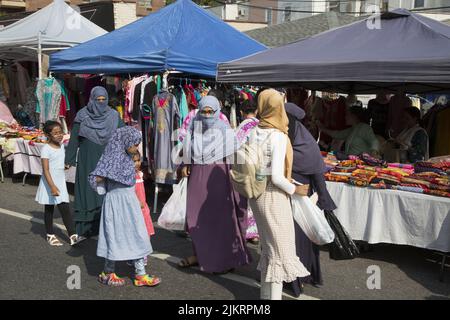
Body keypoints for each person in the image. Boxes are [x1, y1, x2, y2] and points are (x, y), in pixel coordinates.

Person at [248, 89, 311, 300]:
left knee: (269, 249)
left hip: (256, 194)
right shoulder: (278, 135)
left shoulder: (255, 130)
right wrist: (296, 189)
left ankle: (265, 299)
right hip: (274, 196)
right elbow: (276, 176)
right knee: (280, 254)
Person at [178, 96, 252, 274]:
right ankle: (200, 255)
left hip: (220, 177)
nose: (207, 115)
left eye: (211, 111)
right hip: (197, 177)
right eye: (204, 111)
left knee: (220, 219)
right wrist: (185, 165)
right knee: (196, 218)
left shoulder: (224, 130)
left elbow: (234, 155)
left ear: (217, 111)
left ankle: (224, 260)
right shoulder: (194, 127)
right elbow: (187, 149)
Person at [90, 126, 161, 287]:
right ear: (125, 141)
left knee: (138, 234)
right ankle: (107, 272)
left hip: (130, 202)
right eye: (134, 144)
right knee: (114, 236)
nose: (136, 148)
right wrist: (105, 174)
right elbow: (95, 178)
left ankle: (140, 274)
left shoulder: (130, 159)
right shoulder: (110, 157)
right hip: (115, 202)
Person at [285, 102, 337, 296]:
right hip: (284, 196)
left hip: (301, 198)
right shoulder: (288, 137)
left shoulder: (304, 143)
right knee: (286, 238)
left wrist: (323, 198)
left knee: (297, 240)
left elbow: (316, 171)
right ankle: (290, 277)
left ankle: (298, 279)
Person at [65, 86, 123, 238]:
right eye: (98, 100)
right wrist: (69, 159)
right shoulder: (82, 115)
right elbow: (74, 139)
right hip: (87, 159)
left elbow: (124, 136)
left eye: (104, 100)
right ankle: (84, 228)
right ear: (91, 99)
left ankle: (104, 227)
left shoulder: (114, 116)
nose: (101, 103)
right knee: (87, 190)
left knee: (105, 191)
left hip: (107, 160)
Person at [35, 121, 82, 246]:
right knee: (49, 209)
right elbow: (45, 170)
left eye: (60, 132)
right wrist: (52, 187)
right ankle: (50, 234)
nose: (59, 135)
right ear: (48, 135)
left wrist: (65, 166)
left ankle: (72, 235)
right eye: (55, 133)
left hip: (60, 182)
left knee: (65, 208)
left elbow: (59, 162)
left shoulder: (61, 146)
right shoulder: (46, 149)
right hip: (50, 183)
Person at [236, 100, 260, 245]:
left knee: (244, 197)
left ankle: (247, 231)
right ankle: (256, 233)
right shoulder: (262, 125)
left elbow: (236, 145)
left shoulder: (243, 126)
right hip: (261, 165)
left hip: (246, 165)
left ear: (241, 112)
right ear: (256, 111)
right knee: (256, 197)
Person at [133, 152, 155, 237]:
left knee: (145, 228)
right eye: (134, 161)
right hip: (136, 205)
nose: (137, 163)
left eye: (138, 160)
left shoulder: (140, 174)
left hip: (143, 205)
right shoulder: (130, 176)